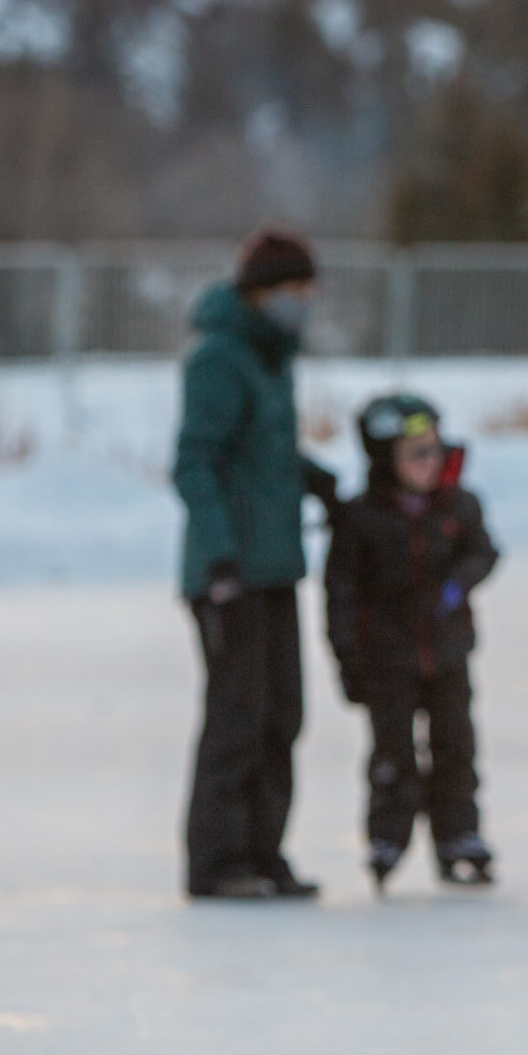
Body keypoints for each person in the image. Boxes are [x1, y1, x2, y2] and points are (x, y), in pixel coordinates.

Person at [171, 227, 339, 900]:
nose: (302, 302)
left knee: (281, 714)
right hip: (230, 572)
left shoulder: (272, 360)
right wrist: (217, 557)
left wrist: (315, 478)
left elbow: (261, 456)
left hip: (275, 566)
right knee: (236, 717)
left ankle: (264, 853)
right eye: (292, 291)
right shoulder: (218, 358)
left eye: (307, 291)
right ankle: (217, 862)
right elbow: (196, 461)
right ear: (258, 293)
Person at [324, 393, 502, 891]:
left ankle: (459, 836)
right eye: (415, 454)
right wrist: (348, 659)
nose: (430, 463)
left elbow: (484, 552)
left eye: (434, 451)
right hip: (388, 662)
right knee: (392, 754)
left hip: (447, 656)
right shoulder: (361, 518)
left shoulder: (458, 505)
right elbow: (340, 594)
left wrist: (456, 584)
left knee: (455, 747)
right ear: (386, 461)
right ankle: (388, 838)